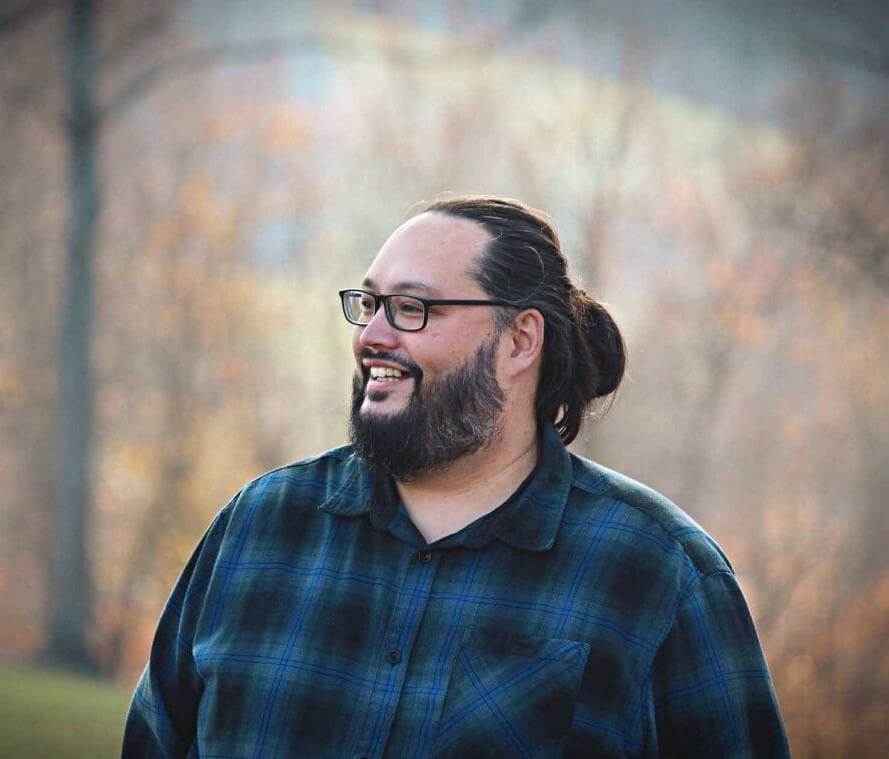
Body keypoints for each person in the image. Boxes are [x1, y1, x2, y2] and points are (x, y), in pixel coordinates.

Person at [122, 196, 789, 757]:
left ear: (519, 341)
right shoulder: (259, 527)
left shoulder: (659, 573)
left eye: (413, 308)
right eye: (369, 304)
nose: (372, 335)